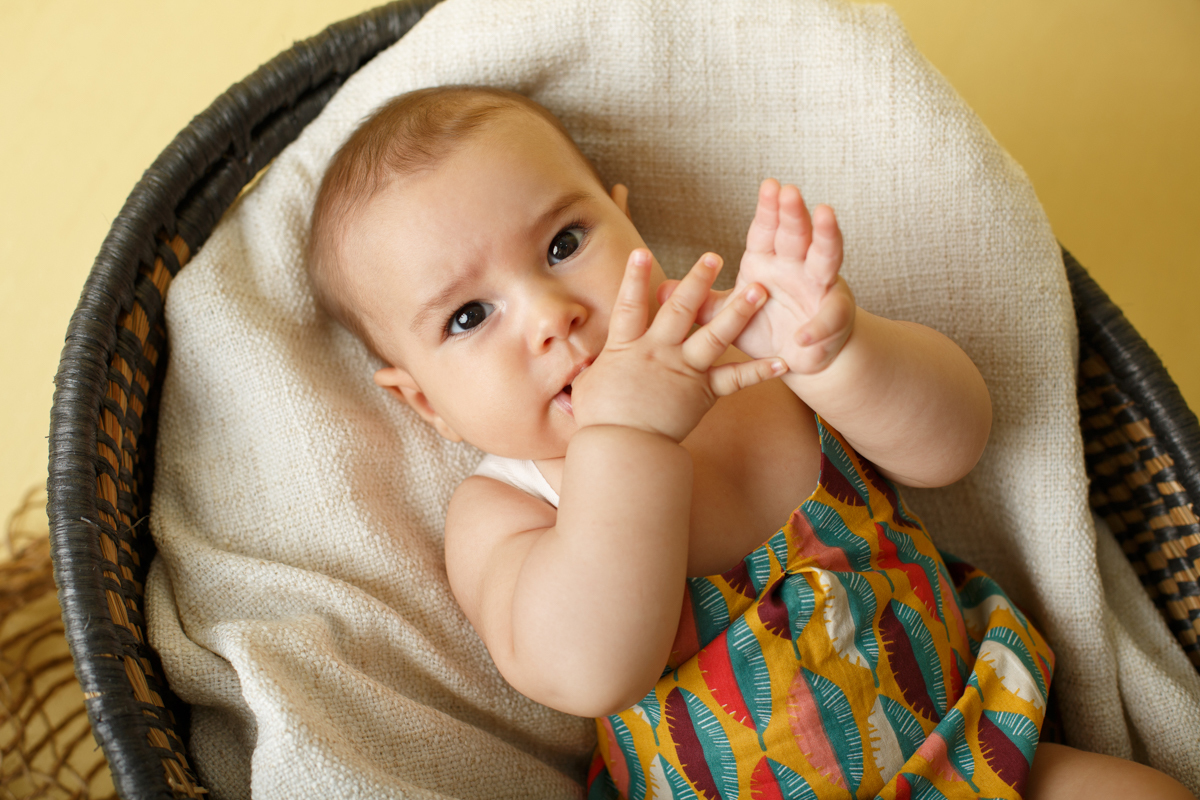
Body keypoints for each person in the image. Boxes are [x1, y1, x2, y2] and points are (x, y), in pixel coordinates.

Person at [306, 85, 1194, 800]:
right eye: (469, 316)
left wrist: (844, 356)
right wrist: (627, 437)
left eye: (565, 242)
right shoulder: (505, 506)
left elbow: (954, 443)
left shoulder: (758, 351)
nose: (551, 315)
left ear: (630, 226)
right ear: (426, 405)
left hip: (976, 752)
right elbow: (586, 670)